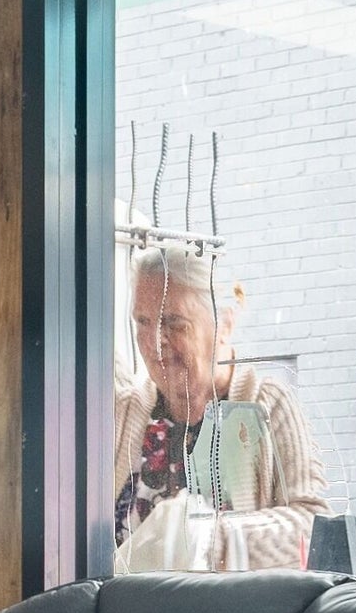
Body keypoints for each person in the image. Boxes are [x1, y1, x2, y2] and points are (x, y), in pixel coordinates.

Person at [110, 244, 325, 571]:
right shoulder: (125, 411)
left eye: (174, 323)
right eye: (142, 321)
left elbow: (313, 526)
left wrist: (210, 537)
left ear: (224, 324)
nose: (155, 342)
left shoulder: (267, 405)